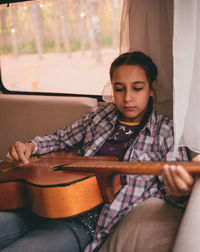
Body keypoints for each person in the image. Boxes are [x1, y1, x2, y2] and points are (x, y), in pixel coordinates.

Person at [1, 51, 198, 252]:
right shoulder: (100, 116)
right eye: (119, 89)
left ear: (151, 88)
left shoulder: (167, 132)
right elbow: (60, 139)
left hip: (83, 224)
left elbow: (174, 195)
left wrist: (180, 194)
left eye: (137, 88)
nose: (127, 98)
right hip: (43, 203)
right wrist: (30, 146)